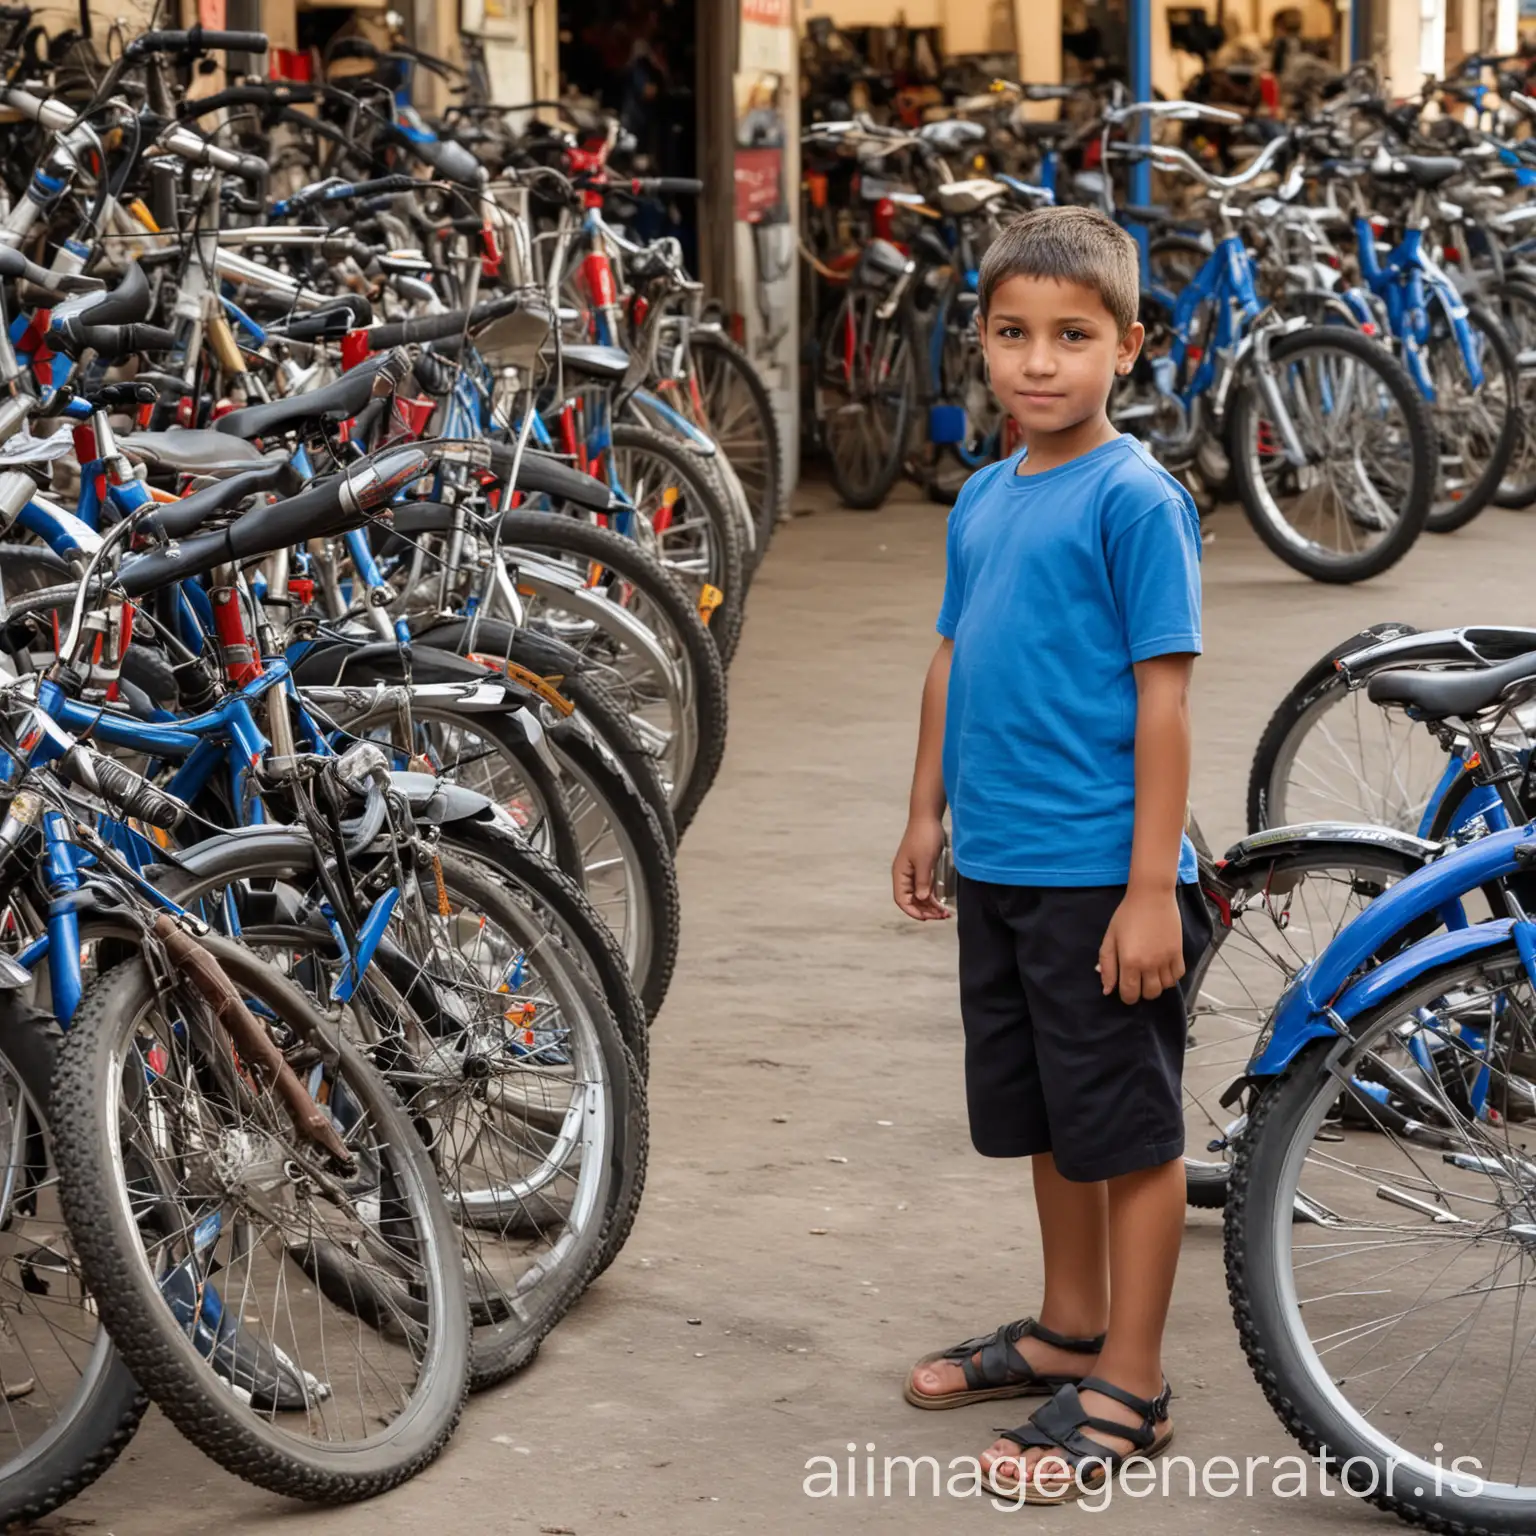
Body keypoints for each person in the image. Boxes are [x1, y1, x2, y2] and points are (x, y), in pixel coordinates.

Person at [890, 205, 1211, 1505]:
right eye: (1014, 334)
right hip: (1005, 864)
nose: (1038, 363)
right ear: (981, 342)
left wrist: (1149, 893)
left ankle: (1130, 1379)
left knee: (1128, 1131)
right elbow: (954, 662)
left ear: (1125, 348)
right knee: (1049, 1115)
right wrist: (925, 815)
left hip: (1100, 872)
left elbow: (1166, 701)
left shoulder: (1137, 501)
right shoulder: (981, 492)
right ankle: (1067, 1325)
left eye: (1071, 337)